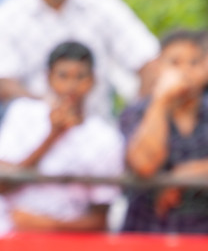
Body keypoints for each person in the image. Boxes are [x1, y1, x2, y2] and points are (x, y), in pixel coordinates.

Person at [0, 0, 157, 119]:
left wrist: (138, 118)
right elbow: (4, 82)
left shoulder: (104, 7)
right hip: (33, 134)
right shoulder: (10, 15)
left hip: (96, 131)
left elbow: (148, 60)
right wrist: (51, 110)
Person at [119, 29, 208, 234]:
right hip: (147, 233)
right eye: (175, 63)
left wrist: (189, 173)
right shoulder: (136, 112)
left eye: (194, 63)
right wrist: (160, 101)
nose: (185, 71)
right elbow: (144, 165)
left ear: (206, 69)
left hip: (204, 235)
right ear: (159, 67)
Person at [0, 39, 119, 232]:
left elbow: (100, 220)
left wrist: (45, 225)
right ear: (48, 78)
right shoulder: (22, 114)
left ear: (92, 81)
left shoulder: (105, 137)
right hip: (11, 233)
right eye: (63, 76)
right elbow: (3, 185)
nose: (71, 85)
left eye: (80, 77)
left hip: (66, 243)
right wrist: (53, 136)